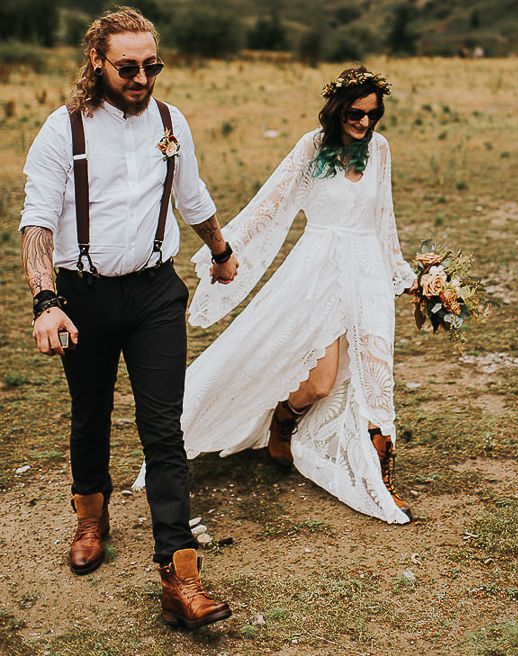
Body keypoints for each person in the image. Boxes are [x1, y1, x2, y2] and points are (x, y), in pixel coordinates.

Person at [19, 7, 235, 630]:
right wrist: (45, 299)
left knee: (163, 428)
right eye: (129, 67)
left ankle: (179, 576)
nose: (142, 77)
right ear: (98, 62)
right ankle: (91, 515)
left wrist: (220, 251)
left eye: (152, 65)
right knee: (89, 410)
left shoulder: (171, 122)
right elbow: (36, 221)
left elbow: (191, 195)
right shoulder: (63, 130)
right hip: (82, 296)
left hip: (155, 295)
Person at [135, 65, 418, 524]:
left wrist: (406, 277)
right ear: (338, 109)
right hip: (320, 272)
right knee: (322, 381)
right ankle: (282, 422)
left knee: (374, 368)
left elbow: (383, 219)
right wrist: (225, 250)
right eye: (356, 113)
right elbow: (269, 205)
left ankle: (379, 476)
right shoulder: (312, 147)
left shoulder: (379, 151)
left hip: (365, 271)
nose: (364, 123)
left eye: (373, 115)